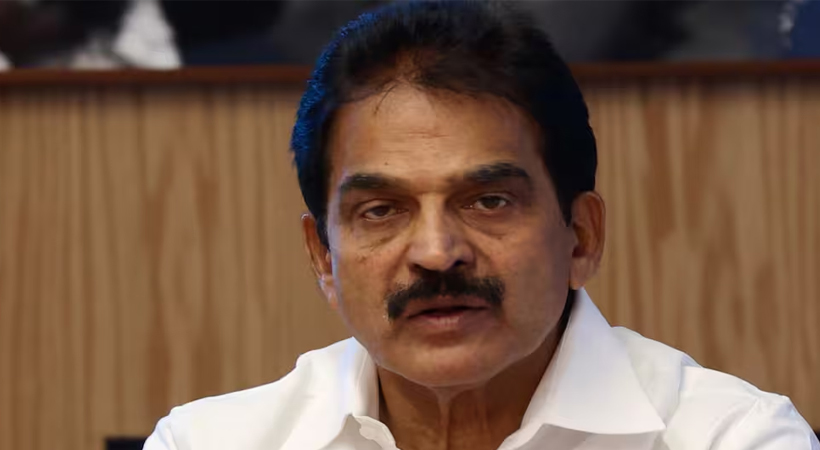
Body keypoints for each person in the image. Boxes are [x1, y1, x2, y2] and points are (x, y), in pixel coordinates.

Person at [144, 2, 819, 449]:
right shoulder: (209, 443)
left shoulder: (732, 438)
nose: (437, 253)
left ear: (581, 237)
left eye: (489, 201)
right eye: (381, 211)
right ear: (323, 255)